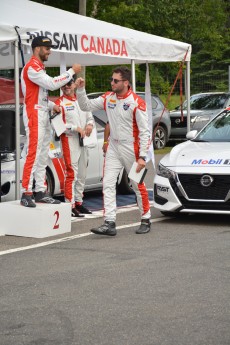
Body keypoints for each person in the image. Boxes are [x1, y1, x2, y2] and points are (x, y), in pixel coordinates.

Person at [75, 66, 152, 235]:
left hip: (132, 147)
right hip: (113, 146)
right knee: (108, 184)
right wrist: (80, 89)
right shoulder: (108, 97)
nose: (112, 83)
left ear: (125, 82)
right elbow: (85, 105)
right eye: (111, 79)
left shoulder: (136, 103)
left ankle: (145, 217)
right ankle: (109, 222)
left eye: (115, 80)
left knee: (137, 184)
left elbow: (145, 131)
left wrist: (142, 157)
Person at [20, 35, 81, 208]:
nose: (49, 52)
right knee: (33, 153)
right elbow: (52, 84)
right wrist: (71, 71)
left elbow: (41, 96)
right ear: (37, 49)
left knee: (42, 154)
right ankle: (26, 192)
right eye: (47, 49)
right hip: (34, 114)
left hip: (42, 113)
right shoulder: (31, 67)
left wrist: (53, 105)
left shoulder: (39, 67)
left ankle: (40, 190)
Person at [55, 79, 94, 217]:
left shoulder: (81, 101)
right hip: (69, 140)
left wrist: (89, 124)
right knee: (72, 174)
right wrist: (75, 128)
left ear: (74, 85)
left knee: (82, 174)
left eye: (69, 84)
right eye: (63, 85)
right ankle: (69, 205)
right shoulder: (59, 103)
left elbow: (90, 116)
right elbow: (58, 126)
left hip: (84, 140)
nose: (66, 87)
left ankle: (78, 202)